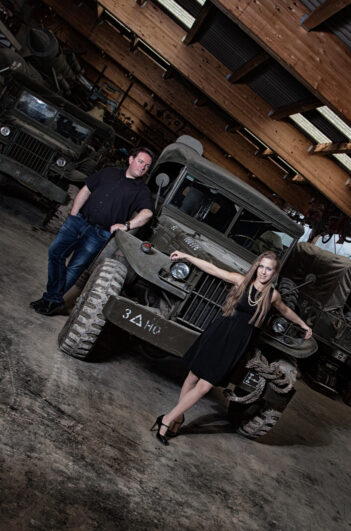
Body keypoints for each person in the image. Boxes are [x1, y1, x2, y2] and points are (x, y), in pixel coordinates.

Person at [152, 249, 313, 445]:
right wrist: (186, 256)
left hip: (237, 344)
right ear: (256, 267)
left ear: (274, 272)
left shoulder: (272, 296)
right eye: (261, 267)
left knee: (204, 386)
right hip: (219, 332)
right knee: (193, 376)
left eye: (268, 269)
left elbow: (286, 311)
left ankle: (166, 419)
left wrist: (303, 325)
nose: (263, 272)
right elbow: (213, 269)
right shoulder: (241, 281)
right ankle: (176, 418)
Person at [30, 147, 155, 315]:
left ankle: (49, 300)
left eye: (147, 166)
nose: (143, 167)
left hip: (98, 234)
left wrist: (126, 225)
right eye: (140, 162)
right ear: (131, 159)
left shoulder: (141, 191)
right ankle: (53, 299)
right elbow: (86, 190)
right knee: (55, 253)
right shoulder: (109, 172)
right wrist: (73, 214)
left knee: (75, 267)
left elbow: (147, 213)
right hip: (78, 221)